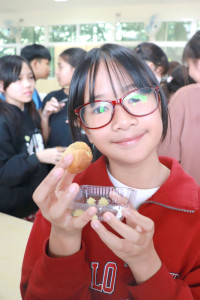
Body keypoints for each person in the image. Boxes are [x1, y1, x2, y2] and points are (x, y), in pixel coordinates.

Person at [20, 44, 200, 299]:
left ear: (160, 101)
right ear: (84, 127)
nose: (123, 121)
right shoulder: (63, 201)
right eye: (100, 108)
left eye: (135, 98)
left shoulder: (194, 210)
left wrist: (146, 264)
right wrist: (64, 237)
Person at [0, 55, 65, 219]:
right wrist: (40, 157)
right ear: (2, 85)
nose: (28, 84)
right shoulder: (3, 120)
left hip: (36, 201)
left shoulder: (28, 110)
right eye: (18, 79)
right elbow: (4, 172)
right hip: (15, 209)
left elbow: (38, 142)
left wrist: (44, 117)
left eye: (30, 77)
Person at [158, 30, 200, 184]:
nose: (189, 71)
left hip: (192, 198)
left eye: (189, 65)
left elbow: (166, 156)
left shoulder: (186, 97)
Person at [41, 47, 86, 148]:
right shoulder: (52, 98)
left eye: (60, 67)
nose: (56, 72)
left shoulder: (92, 100)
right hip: (55, 162)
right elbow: (43, 141)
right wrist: (45, 116)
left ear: (76, 70)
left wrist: (86, 126)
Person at [20, 43, 51, 110]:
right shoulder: (20, 90)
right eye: (47, 64)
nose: (49, 68)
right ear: (35, 63)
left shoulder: (33, 91)